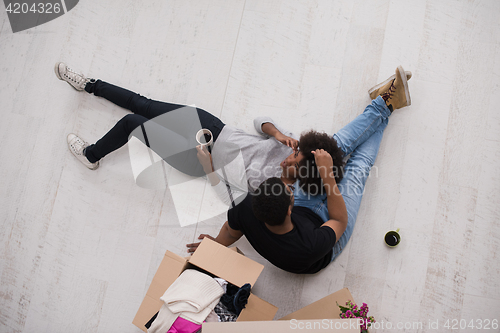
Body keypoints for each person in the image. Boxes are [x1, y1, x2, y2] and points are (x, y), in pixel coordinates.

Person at [186, 66, 411, 274]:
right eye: (290, 191)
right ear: (289, 209)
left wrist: (215, 243)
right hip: (328, 239)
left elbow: (231, 230)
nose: (292, 187)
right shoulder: (308, 247)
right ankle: (388, 105)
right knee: (359, 167)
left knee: (328, 149)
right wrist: (327, 176)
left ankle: (383, 103)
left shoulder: (245, 207)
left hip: (302, 218)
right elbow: (339, 220)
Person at [55, 62, 346, 205]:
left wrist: (207, 167)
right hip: (213, 128)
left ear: (305, 176)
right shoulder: (289, 145)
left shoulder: (276, 191)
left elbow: (228, 198)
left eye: (294, 162)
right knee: (142, 103)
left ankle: (90, 154)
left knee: (133, 122)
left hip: (199, 159)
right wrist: (278, 133)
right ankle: (89, 85)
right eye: (295, 153)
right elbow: (260, 121)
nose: (288, 158)